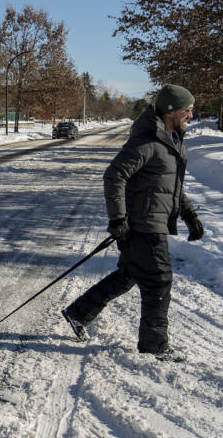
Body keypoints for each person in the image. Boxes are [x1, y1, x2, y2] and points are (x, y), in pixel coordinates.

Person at [61, 84, 205, 362]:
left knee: (129, 274)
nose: (191, 114)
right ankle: (154, 346)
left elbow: (169, 185)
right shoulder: (148, 142)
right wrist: (118, 220)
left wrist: (189, 215)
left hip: (149, 222)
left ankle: (78, 313)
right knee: (159, 280)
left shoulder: (169, 139)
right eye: (188, 110)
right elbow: (114, 176)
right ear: (172, 111)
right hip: (144, 226)